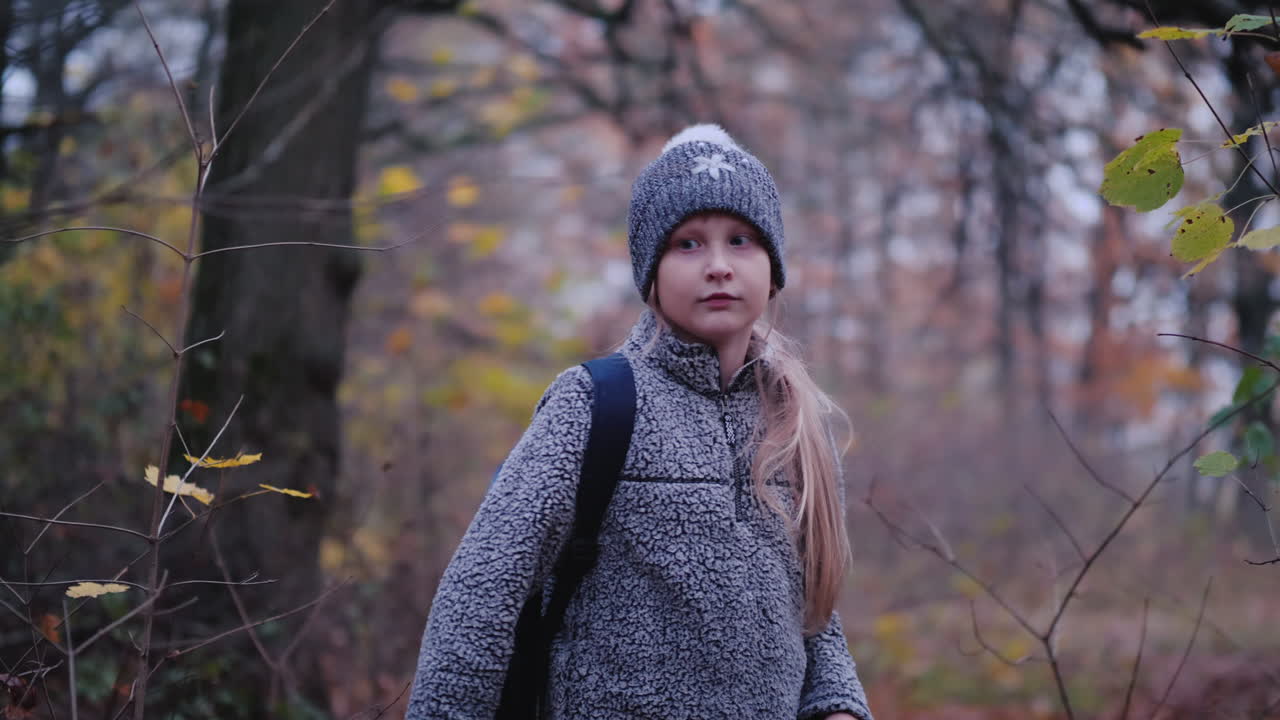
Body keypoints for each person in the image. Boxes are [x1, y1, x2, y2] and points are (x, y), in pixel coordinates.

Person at [406, 124, 873, 720]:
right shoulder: (594, 404)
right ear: (648, 268)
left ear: (774, 268)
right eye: (687, 244)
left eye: (741, 240)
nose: (718, 267)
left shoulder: (796, 423)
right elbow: (480, 597)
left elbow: (812, 616)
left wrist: (839, 708)